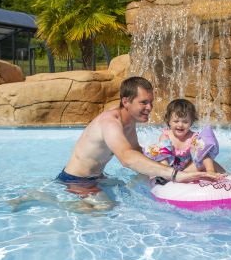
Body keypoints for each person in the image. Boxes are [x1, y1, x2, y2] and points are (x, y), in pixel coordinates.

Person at [56, 77, 219, 204]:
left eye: (151, 102)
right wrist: (175, 175)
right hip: (76, 181)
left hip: (98, 178)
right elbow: (127, 158)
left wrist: (176, 167)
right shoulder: (110, 122)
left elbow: (137, 153)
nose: (150, 107)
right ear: (126, 101)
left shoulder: (129, 123)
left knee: (128, 189)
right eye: (144, 102)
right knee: (105, 209)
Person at [143, 98, 225, 174]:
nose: (180, 125)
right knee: (156, 160)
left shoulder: (193, 137)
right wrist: (168, 174)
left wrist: (210, 171)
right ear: (169, 121)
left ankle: (227, 175)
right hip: (167, 168)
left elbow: (204, 156)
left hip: (186, 170)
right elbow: (163, 158)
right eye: (176, 121)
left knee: (208, 161)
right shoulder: (166, 136)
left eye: (185, 122)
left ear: (191, 122)